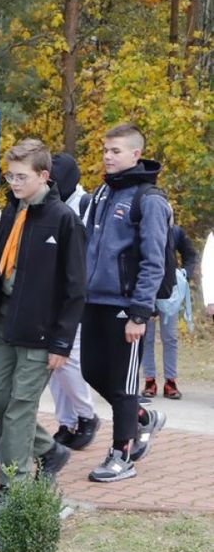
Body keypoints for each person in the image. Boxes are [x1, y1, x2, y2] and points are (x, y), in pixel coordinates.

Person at [0, 139, 83, 516]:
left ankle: (13, 488)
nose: (14, 182)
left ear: (43, 176)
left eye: (21, 176)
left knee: (21, 407)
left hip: (41, 332)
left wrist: (61, 342)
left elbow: (75, 288)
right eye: (9, 175)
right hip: (7, 323)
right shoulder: (11, 211)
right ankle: (49, 449)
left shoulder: (64, 219)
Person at [80, 123, 170, 482]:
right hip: (94, 299)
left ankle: (122, 455)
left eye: (115, 151)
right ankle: (142, 419)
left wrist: (139, 312)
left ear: (135, 154)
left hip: (127, 306)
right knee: (91, 371)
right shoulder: (102, 193)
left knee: (124, 384)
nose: (107, 156)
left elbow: (153, 261)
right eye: (105, 150)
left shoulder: (149, 200)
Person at [47, 153, 101, 447]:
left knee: (68, 360)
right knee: (53, 363)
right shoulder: (48, 206)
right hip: (51, 293)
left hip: (77, 293)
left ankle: (86, 415)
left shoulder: (85, 205)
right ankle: (66, 423)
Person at [140, 223, 197, 399]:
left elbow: (190, 255)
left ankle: (170, 382)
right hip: (147, 289)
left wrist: (185, 273)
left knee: (170, 337)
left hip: (170, 291)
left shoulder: (176, 231)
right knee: (146, 337)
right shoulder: (142, 228)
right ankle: (150, 380)